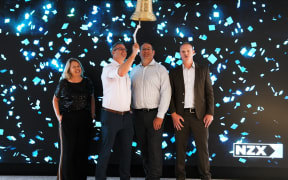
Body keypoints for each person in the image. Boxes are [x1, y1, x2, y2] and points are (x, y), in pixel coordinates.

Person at [169, 42, 214, 180]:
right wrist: (173, 114)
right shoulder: (174, 72)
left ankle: (206, 177)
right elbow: (169, 94)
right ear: (179, 54)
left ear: (193, 52)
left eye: (188, 51)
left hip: (200, 116)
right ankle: (180, 177)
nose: (186, 53)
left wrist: (210, 113)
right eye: (183, 51)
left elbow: (209, 93)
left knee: (203, 150)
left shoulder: (204, 69)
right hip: (180, 116)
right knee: (180, 150)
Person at [95, 42, 139, 180]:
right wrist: (134, 53)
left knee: (126, 152)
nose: (123, 51)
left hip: (126, 117)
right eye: (120, 49)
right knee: (106, 150)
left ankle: (125, 178)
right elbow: (120, 72)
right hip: (110, 116)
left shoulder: (127, 71)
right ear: (112, 52)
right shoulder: (108, 68)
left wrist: (129, 107)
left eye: (125, 50)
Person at [130, 42, 171, 180]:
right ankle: (150, 175)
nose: (145, 51)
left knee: (154, 149)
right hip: (137, 115)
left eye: (148, 49)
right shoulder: (134, 70)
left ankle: (155, 176)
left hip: (154, 114)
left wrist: (160, 116)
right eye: (143, 49)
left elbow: (166, 93)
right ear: (139, 52)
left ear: (153, 52)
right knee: (143, 148)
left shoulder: (161, 70)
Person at [52, 58, 95, 180]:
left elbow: (92, 98)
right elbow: (55, 99)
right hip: (68, 118)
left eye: (78, 66)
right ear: (69, 69)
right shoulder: (64, 83)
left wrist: (92, 114)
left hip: (84, 118)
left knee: (82, 150)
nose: (77, 68)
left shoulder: (87, 82)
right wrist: (59, 116)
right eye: (74, 66)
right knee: (69, 151)